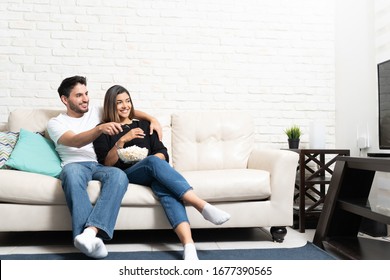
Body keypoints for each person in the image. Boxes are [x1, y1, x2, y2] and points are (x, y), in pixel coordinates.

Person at [93, 85, 231, 260]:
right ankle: (201, 205)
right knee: (151, 161)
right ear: (110, 105)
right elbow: (106, 163)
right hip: (127, 174)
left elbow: (162, 152)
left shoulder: (143, 125)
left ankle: (188, 246)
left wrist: (155, 157)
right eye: (119, 102)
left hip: (152, 171)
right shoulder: (104, 129)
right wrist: (122, 141)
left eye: (127, 101)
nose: (125, 106)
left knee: (166, 188)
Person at [47, 76, 161, 259]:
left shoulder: (96, 111)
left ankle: (89, 234)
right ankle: (88, 239)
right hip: (74, 165)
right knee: (72, 175)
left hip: (99, 164)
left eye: (86, 94)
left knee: (118, 176)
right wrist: (99, 129)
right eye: (78, 95)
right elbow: (75, 142)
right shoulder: (55, 123)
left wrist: (152, 118)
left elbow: (126, 109)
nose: (85, 99)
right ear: (65, 99)